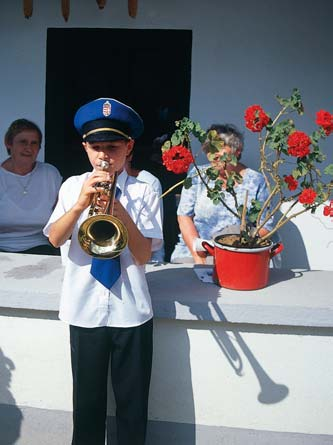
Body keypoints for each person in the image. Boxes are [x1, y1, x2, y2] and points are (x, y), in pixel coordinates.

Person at [43, 98, 163, 445]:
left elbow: (141, 255)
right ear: (85, 148)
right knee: (87, 405)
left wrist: (118, 206)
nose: (104, 157)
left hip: (132, 311)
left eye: (112, 147)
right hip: (84, 309)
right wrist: (82, 202)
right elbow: (54, 238)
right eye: (96, 148)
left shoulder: (145, 191)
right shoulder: (71, 186)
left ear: (129, 147)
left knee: (133, 405)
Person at [171, 123, 274, 264]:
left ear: (237, 151)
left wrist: (234, 247)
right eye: (209, 149)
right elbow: (184, 217)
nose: (214, 154)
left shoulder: (256, 181)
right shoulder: (198, 175)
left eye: (219, 148)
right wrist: (198, 257)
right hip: (194, 250)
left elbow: (265, 227)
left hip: (237, 252)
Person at [0, 118, 62, 255]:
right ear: (8, 143)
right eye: (23, 142)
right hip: (2, 248)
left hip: (41, 248)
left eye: (34, 143)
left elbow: (60, 217)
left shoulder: (50, 174)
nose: (29, 148)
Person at [126, 144, 165, 262]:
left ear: (129, 154)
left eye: (113, 148)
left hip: (146, 258)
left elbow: (154, 231)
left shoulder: (149, 182)